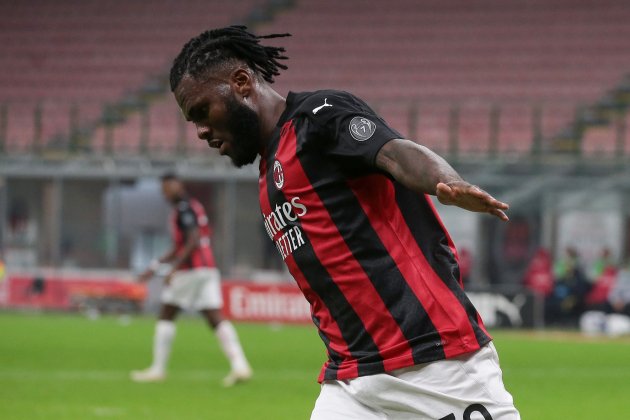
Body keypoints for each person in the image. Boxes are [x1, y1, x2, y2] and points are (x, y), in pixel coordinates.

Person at [169, 26, 519, 419]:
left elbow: (394, 153)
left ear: (241, 82)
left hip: (436, 362)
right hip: (352, 383)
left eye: (202, 111)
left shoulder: (319, 117)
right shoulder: (269, 174)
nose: (200, 131)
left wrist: (448, 183)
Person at [131, 173, 252, 386]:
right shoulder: (191, 207)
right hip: (207, 269)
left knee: (166, 313)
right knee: (214, 316)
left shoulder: (184, 209)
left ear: (178, 186)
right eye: (163, 189)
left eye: (168, 187)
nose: (165, 192)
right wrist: (154, 268)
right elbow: (180, 245)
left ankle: (158, 369)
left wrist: (175, 268)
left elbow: (193, 239)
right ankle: (240, 366)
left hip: (191, 270)